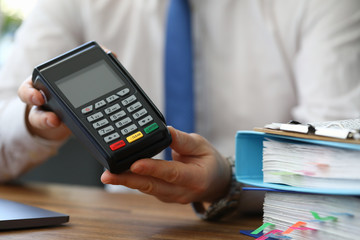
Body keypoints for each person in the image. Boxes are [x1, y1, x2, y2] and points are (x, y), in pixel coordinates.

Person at [2, 0, 360, 220]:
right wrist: (39, 125)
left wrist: (229, 181)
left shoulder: (323, 4)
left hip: (256, 221)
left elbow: (342, 156)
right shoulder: (71, 3)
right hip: (124, 222)